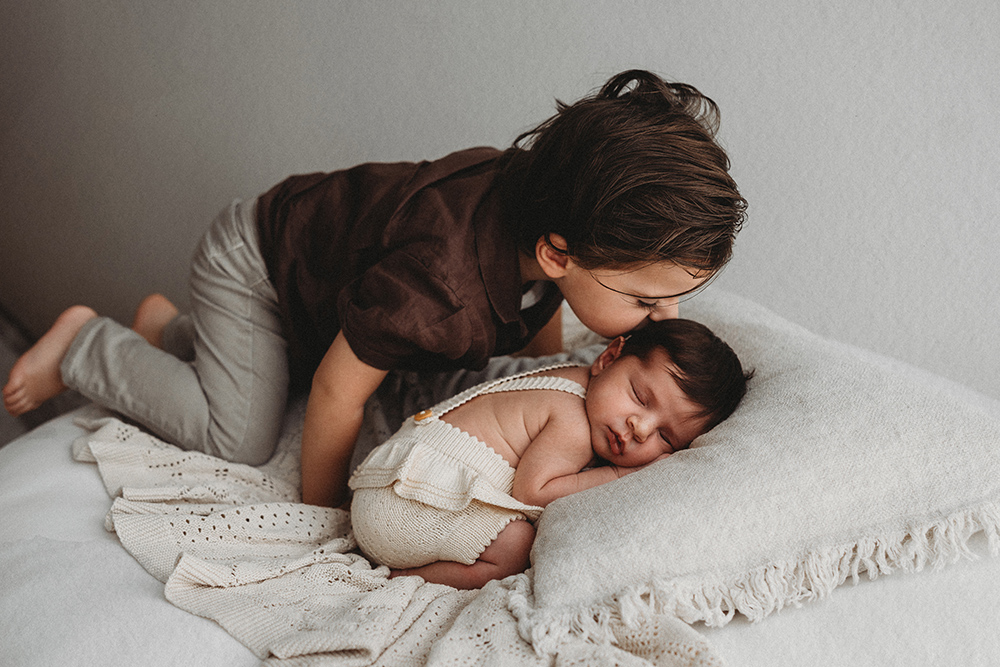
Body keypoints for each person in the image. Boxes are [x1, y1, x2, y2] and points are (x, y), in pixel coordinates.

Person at [2, 70, 747, 509]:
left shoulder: (539, 208)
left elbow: (536, 320)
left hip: (324, 286)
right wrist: (324, 516)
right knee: (240, 434)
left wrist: (538, 376)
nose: (664, 317)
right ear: (558, 254)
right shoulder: (440, 282)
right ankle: (86, 345)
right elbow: (334, 394)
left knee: (272, 366)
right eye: (647, 301)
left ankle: (171, 330)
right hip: (257, 266)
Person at [349, 318, 752, 589]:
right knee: (517, 546)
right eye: (639, 396)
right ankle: (411, 576)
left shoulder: (574, 380)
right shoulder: (573, 421)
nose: (639, 429)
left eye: (666, 438)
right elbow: (533, 494)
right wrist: (617, 476)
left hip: (393, 481)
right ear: (608, 357)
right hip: (401, 507)